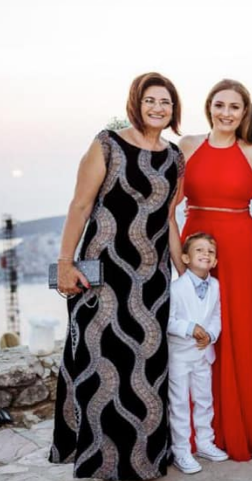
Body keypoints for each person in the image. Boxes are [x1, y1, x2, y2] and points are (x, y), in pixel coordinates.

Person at [50, 72, 184, 480]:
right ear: (136, 104)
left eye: (165, 102)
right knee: (101, 365)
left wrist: (186, 273)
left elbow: (169, 218)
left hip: (152, 281)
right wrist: (65, 263)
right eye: (150, 100)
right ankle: (99, 461)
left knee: (146, 368)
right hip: (103, 276)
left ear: (174, 109)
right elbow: (80, 206)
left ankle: (144, 459)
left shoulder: (175, 157)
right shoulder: (107, 144)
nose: (158, 108)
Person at [176, 79, 252, 461]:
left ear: (245, 113)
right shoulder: (188, 146)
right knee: (195, 333)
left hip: (242, 253)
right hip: (196, 247)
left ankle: (248, 427)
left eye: (234, 107)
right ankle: (198, 433)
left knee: (242, 333)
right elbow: (166, 205)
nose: (226, 113)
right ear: (209, 107)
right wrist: (177, 257)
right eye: (220, 105)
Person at [167, 232, 228, 474]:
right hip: (180, 357)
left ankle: (205, 442)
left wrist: (210, 335)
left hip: (204, 355)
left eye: (210, 252)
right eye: (199, 250)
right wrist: (190, 328)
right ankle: (181, 450)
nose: (206, 254)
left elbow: (216, 317)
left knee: (204, 400)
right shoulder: (175, 288)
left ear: (215, 262)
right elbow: (168, 320)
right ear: (185, 258)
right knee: (180, 403)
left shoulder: (215, 286)